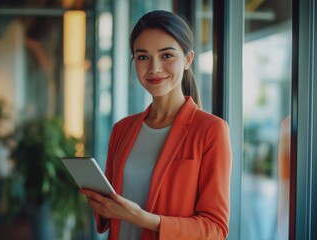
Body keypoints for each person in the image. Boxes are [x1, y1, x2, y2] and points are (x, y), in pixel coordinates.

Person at [80, 10, 232, 240]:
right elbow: (111, 214)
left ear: (188, 59)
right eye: (143, 57)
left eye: (167, 55)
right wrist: (101, 203)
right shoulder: (122, 130)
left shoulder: (211, 130)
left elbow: (216, 230)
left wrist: (141, 218)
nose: (154, 68)